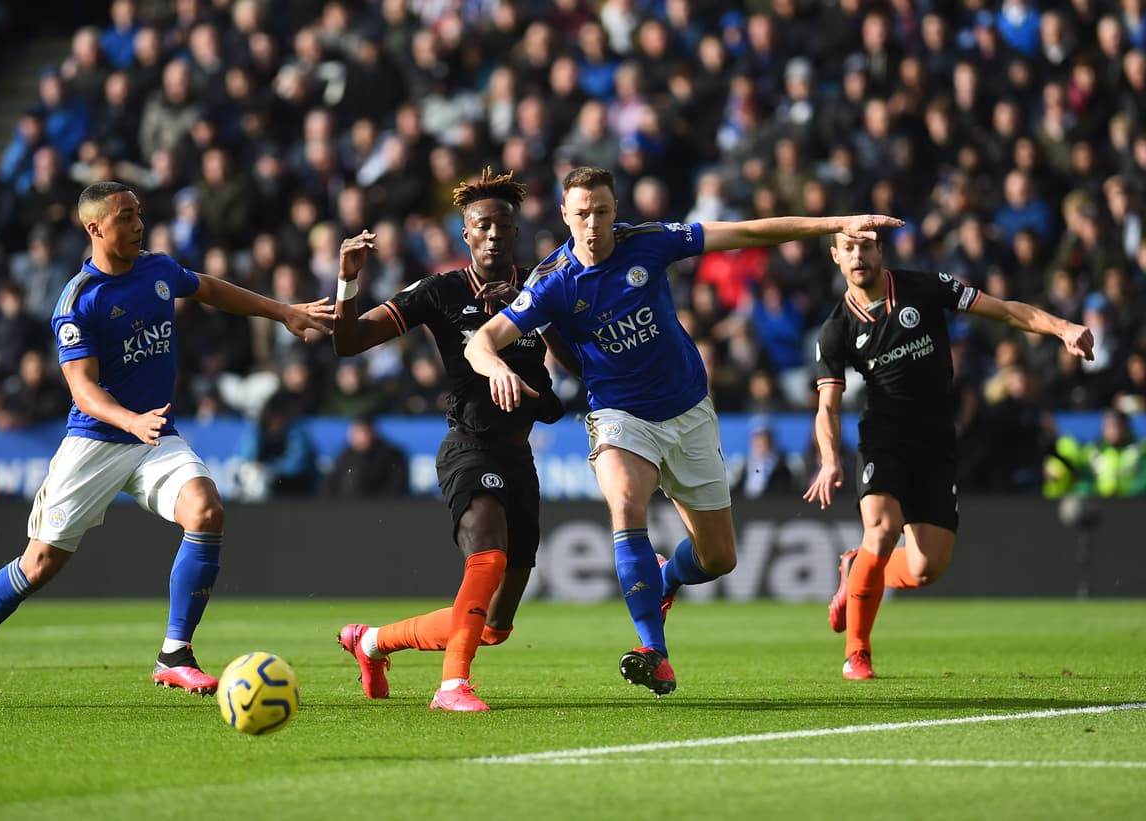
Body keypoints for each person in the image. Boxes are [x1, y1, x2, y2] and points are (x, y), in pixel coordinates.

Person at [465, 164, 902, 696]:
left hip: (689, 412)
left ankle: (665, 580)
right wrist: (500, 368)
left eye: (602, 212)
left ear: (615, 210)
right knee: (626, 504)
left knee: (719, 558)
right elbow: (480, 342)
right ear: (564, 216)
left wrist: (837, 223)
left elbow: (750, 232)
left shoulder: (649, 243)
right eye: (582, 214)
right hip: (619, 415)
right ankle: (655, 652)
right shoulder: (552, 282)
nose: (594, 224)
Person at [0, 181, 333, 710]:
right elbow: (84, 391)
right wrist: (128, 419)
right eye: (126, 217)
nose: (139, 225)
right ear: (95, 228)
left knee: (206, 511)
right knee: (39, 564)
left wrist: (283, 312)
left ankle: (175, 654)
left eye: (140, 214)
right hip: (96, 441)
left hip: (154, 433)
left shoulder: (157, 270)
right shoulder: (79, 300)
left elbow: (207, 288)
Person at [332, 167, 579, 712]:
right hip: (469, 448)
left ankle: (370, 642)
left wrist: (529, 306)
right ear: (465, 235)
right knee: (486, 556)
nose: (494, 235)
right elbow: (348, 342)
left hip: (520, 461)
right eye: (482, 226)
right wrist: (348, 282)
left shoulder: (539, 290)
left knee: (493, 627)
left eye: (504, 228)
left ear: (515, 234)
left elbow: (577, 374)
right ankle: (450, 687)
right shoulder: (440, 292)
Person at [804, 231, 1094, 680]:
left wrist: (1063, 328)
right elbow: (827, 407)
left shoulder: (924, 287)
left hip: (936, 441)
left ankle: (854, 567)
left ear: (881, 251)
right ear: (835, 257)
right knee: (880, 531)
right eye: (849, 248)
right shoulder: (836, 330)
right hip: (884, 437)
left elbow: (1005, 310)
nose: (858, 255)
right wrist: (829, 458)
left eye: (867, 246)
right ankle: (856, 652)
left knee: (925, 569)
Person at [325, 414, 410, 498]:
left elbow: (396, 488)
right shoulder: (345, 455)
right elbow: (330, 485)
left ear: (372, 432)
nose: (354, 436)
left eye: (360, 431)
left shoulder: (392, 456)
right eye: (353, 432)